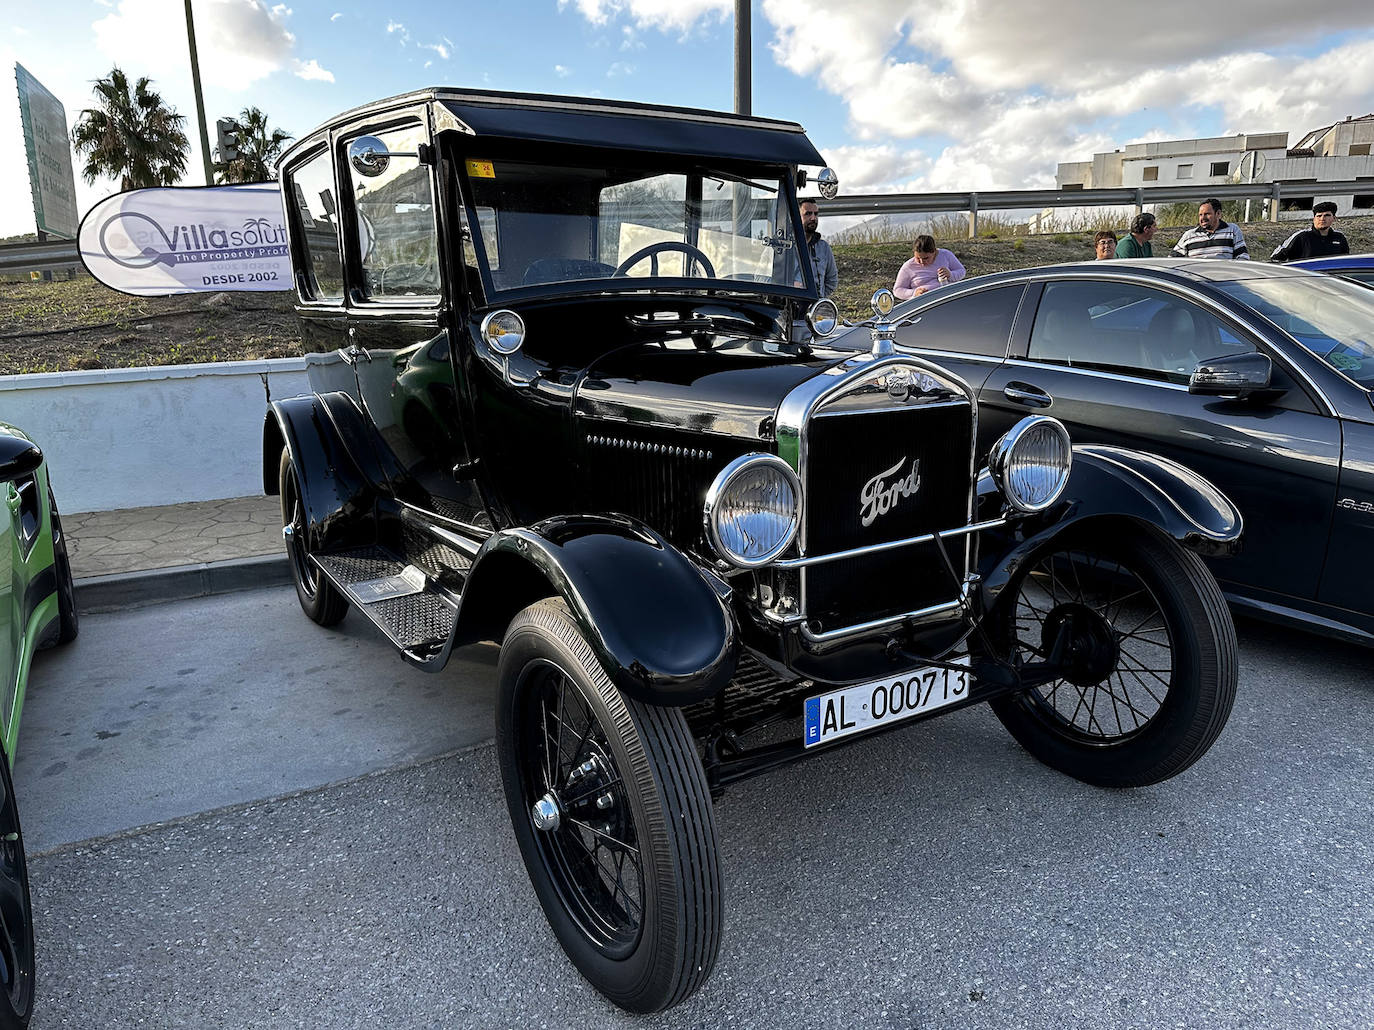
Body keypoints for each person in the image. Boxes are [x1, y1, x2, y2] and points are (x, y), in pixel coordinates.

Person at [1269, 201, 1350, 262]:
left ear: (1334, 218)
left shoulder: (1339, 238)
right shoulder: (1301, 236)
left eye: (1327, 215)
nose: (1322, 219)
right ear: (1314, 219)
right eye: (1319, 216)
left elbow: (1345, 261)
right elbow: (1275, 258)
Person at [1171, 199, 1250, 260]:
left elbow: (1243, 257)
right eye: (1200, 215)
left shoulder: (1232, 230)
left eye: (1207, 214)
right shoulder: (1189, 235)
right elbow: (1172, 260)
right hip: (1196, 279)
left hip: (1224, 277)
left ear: (1218, 214)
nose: (1203, 218)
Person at [893, 235, 966, 299]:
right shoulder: (908, 267)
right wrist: (914, 293)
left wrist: (951, 274)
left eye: (926, 258)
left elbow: (962, 271)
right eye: (917, 258)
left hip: (948, 297)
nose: (921, 262)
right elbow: (897, 290)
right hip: (926, 303)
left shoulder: (945, 255)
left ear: (934, 252)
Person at [797, 199, 839, 295]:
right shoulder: (783, 246)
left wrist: (819, 297)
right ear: (797, 217)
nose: (813, 218)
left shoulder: (824, 248)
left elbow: (832, 281)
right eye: (808, 214)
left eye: (815, 214)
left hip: (814, 307)